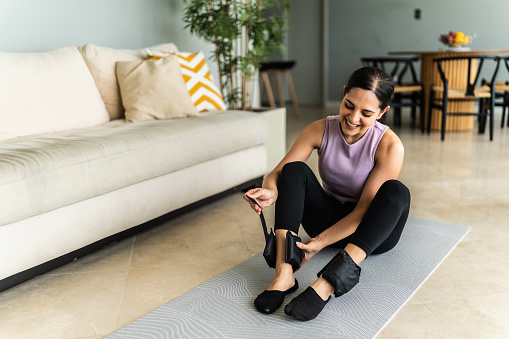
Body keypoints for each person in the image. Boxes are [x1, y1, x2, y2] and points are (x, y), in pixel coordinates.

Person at [243, 66, 411, 321]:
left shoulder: (389, 145)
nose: (353, 118)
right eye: (349, 105)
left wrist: (320, 242)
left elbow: (364, 209)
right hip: (328, 218)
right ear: (343, 95)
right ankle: (284, 273)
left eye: (366, 113)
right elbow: (277, 173)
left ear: (382, 112)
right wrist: (269, 190)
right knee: (294, 169)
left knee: (396, 192)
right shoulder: (320, 128)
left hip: (370, 232)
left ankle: (327, 283)